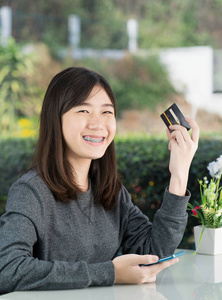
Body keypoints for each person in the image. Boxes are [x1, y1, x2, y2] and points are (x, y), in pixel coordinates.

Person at [0, 67, 199, 294]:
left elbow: (155, 251)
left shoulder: (111, 191)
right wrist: (110, 273)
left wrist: (179, 173)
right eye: (83, 111)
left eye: (106, 112)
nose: (98, 124)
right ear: (55, 119)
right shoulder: (30, 191)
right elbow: (7, 269)